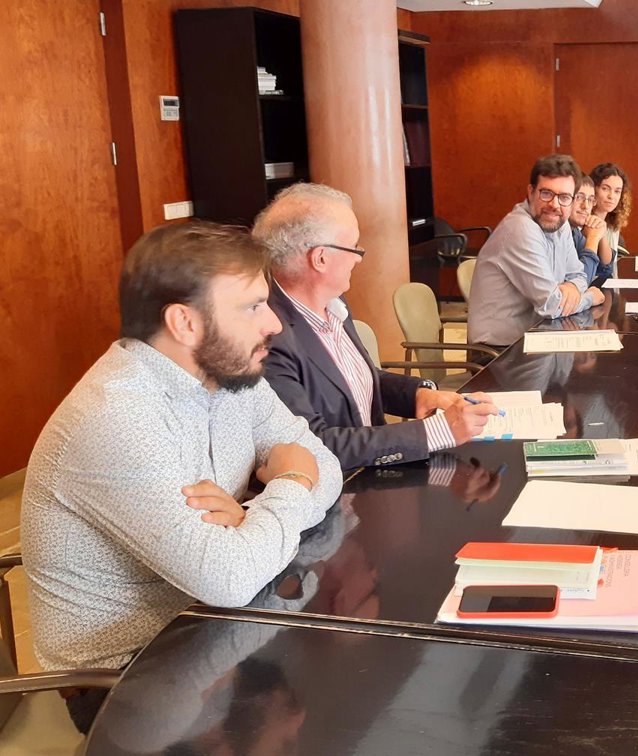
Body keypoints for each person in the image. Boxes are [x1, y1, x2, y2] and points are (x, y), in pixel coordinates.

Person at [21, 222, 343, 732]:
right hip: (129, 681)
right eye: (253, 307)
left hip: (212, 632)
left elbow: (324, 464)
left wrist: (249, 517)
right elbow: (230, 576)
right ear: (185, 323)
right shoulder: (118, 416)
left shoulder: (231, 375)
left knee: (335, 688)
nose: (274, 324)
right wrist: (290, 486)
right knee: (312, 716)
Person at [252, 183, 497, 470]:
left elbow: (355, 381)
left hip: (379, 472)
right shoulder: (269, 337)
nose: (358, 257)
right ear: (320, 258)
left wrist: (418, 394)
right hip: (343, 486)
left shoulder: (333, 304)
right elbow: (313, 444)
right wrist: (437, 431)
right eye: (353, 247)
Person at [468, 155, 606, 347]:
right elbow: (551, 305)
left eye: (564, 197)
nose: (555, 205)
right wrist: (590, 297)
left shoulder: (561, 223)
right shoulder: (520, 229)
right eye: (546, 193)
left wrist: (572, 286)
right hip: (499, 352)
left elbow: (578, 274)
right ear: (531, 192)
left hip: (537, 337)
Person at [569, 175, 611, 286]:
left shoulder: (575, 232)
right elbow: (581, 281)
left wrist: (600, 233)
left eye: (591, 200)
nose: (586, 206)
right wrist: (593, 239)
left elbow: (605, 269)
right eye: (579, 197)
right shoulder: (560, 232)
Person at [590, 162, 631, 279]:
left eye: (617, 191)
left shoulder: (612, 225)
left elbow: (610, 266)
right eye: (605, 189)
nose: (611, 196)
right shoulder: (584, 221)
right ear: (594, 189)